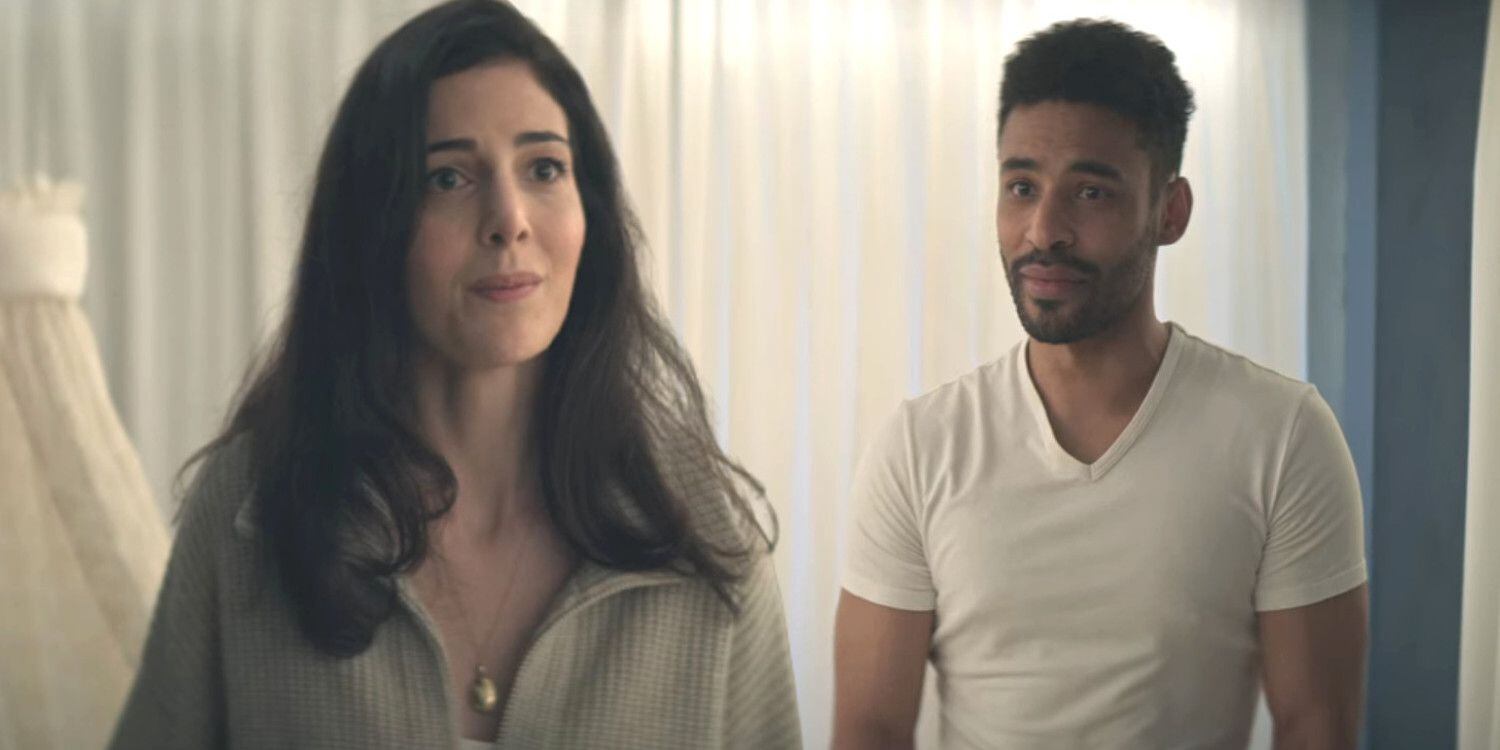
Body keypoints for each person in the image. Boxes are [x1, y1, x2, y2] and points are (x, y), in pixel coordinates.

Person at [109, 2, 800, 748]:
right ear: (373, 226)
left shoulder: (709, 539)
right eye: (447, 177)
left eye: (544, 168)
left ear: (590, 211)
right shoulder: (250, 514)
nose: (509, 219)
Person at [833, 19, 1367, 750]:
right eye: (1022, 187)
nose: (1042, 230)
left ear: (1169, 211)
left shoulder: (1282, 435)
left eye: (1090, 193)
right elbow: (870, 728)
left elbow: (1317, 725)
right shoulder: (920, 446)